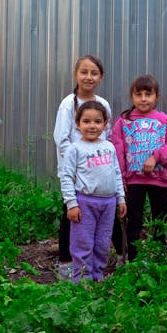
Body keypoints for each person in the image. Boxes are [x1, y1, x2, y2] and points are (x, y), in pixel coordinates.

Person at [110, 74, 167, 261]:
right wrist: (122, 179)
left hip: (159, 181)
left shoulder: (163, 120)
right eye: (138, 94)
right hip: (134, 181)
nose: (143, 98)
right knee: (134, 221)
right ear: (132, 96)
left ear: (156, 97)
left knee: (159, 220)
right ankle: (133, 261)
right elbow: (118, 152)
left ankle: (158, 259)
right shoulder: (124, 122)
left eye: (148, 94)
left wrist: (156, 156)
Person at [53, 55, 112, 280]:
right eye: (84, 72)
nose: (88, 77)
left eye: (94, 73)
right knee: (71, 214)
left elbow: (107, 135)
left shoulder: (103, 104)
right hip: (76, 173)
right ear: (76, 75)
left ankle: (99, 262)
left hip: (99, 172)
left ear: (101, 77)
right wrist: (77, 167)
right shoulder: (68, 104)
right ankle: (66, 261)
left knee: (103, 215)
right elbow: (61, 139)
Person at [58, 100, 127, 282]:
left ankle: (97, 275)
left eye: (97, 121)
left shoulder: (109, 147)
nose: (92, 126)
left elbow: (116, 174)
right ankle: (83, 278)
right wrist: (71, 204)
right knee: (83, 242)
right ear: (78, 124)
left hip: (108, 204)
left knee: (103, 243)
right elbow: (66, 178)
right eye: (87, 121)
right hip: (85, 203)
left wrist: (121, 198)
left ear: (105, 124)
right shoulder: (74, 149)